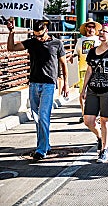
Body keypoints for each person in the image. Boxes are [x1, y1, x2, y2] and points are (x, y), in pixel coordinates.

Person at [7, 19, 69, 160]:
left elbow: (64, 64)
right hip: (34, 83)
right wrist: (11, 32)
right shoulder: (32, 42)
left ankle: (41, 150)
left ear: (46, 31)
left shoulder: (57, 43)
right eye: (35, 36)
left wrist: (66, 83)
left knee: (43, 116)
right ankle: (45, 145)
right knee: (37, 118)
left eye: (40, 35)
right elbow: (11, 48)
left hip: (49, 84)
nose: (38, 38)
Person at [81, 23, 108, 163]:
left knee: (105, 121)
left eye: (106, 31)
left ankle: (104, 150)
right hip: (93, 90)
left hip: (107, 91)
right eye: (101, 31)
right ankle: (99, 137)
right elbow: (89, 71)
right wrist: (83, 89)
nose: (102, 33)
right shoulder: (92, 52)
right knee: (88, 121)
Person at [70, 18, 101, 123]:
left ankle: (96, 114)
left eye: (93, 27)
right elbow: (76, 53)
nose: (91, 29)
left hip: (97, 70)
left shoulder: (99, 40)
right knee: (82, 93)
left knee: (97, 92)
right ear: (86, 28)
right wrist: (72, 57)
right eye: (89, 26)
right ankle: (84, 114)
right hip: (83, 69)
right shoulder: (80, 40)